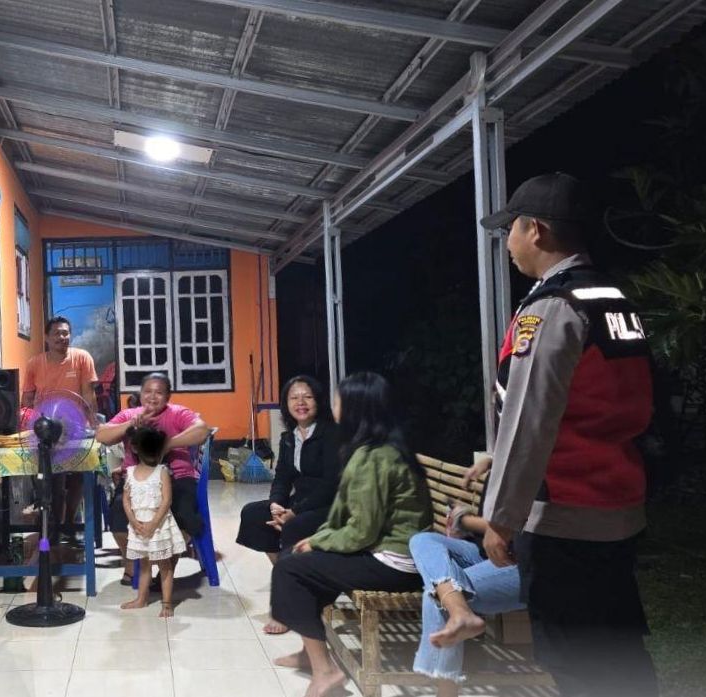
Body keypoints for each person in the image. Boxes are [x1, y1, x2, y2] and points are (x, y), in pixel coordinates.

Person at [478, 172, 658, 697]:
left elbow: (529, 421)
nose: (508, 242)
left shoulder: (553, 307)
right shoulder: (612, 298)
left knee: (576, 659)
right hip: (616, 502)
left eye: (511, 229)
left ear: (535, 230)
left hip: (565, 515)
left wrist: (501, 519)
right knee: (618, 649)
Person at [270, 372, 431, 697]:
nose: (333, 406)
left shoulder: (374, 457)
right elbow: (348, 518)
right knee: (296, 558)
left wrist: (318, 541)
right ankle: (310, 654)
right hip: (387, 551)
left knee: (289, 569)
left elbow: (361, 532)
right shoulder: (376, 448)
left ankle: (324, 671)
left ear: (356, 407)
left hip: (395, 563)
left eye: (337, 400)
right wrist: (318, 540)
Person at [236, 375, 341, 634]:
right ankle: (295, 581)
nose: (300, 403)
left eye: (307, 397)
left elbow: (331, 484)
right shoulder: (289, 437)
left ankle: (285, 605)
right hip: (300, 503)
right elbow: (283, 477)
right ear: (286, 403)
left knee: (293, 527)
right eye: (294, 398)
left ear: (318, 401)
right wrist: (276, 504)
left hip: (329, 506)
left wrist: (294, 512)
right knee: (254, 515)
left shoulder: (331, 434)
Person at [409, 458, 523, 697]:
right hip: (482, 553)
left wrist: (463, 518)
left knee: (442, 592)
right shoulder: (507, 453)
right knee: (422, 540)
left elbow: (517, 526)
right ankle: (460, 613)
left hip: (519, 562)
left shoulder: (533, 459)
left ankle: (446, 693)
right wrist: (492, 460)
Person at [96, 373, 209, 585]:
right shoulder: (130, 414)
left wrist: (168, 444)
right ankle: (133, 565)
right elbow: (102, 435)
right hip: (136, 481)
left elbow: (202, 430)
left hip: (177, 477)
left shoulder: (177, 413)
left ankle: (167, 568)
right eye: (148, 391)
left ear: (168, 396)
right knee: (118, 515)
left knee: (184, 516)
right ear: (140, 394)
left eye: (159, 392)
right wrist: (130, 425)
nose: (152, 397)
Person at [22, 316, 98, 533]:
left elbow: (88, 395)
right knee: (49, 477)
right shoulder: (35, 364)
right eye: (56, 333)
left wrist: (94, 424)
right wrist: (26, 424)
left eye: (65, 333)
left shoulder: (82, 358)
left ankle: (69, 521)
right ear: (46, 337)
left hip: (75, 428)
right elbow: (27, 399)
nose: (62, 337)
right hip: (45, 430)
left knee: (79, 475)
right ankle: (51, 522)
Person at [119, 425, 186, 617]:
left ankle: (167, 604)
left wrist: (154, 524)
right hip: (139, 527)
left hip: (159, 527)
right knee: (144, 564)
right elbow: (126, 499)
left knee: (165, 566)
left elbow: (167, 501)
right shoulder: (130, 472)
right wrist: (133, 521)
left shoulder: (162, 471)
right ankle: (141, 599)